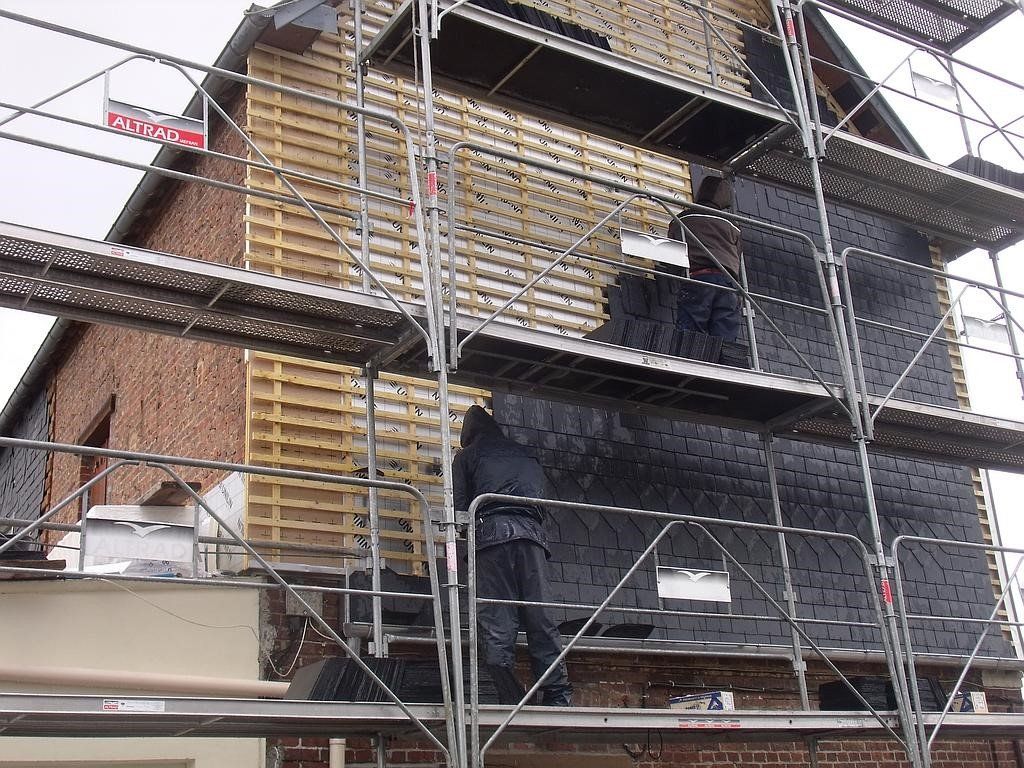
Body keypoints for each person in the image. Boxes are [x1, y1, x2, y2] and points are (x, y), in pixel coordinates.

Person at [453, 404, 572, 707]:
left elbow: (460, 510)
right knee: (541, 619)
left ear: (469, 435)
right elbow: (541, 505)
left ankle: (509, 700)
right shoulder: (526, 454)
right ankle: (557, 697)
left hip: (491, 539)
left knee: (497, 623)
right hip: (532, 539)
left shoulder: (467, 457)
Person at [668, 175, 743, 342]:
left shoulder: (683, 219)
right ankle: (723, 365)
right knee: (725, 338)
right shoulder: (733, 225)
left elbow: (673, 252)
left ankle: (691, 362)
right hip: (728, 283)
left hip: (698, 279)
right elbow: (737, 254)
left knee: (691, 337)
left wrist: (674, 276)